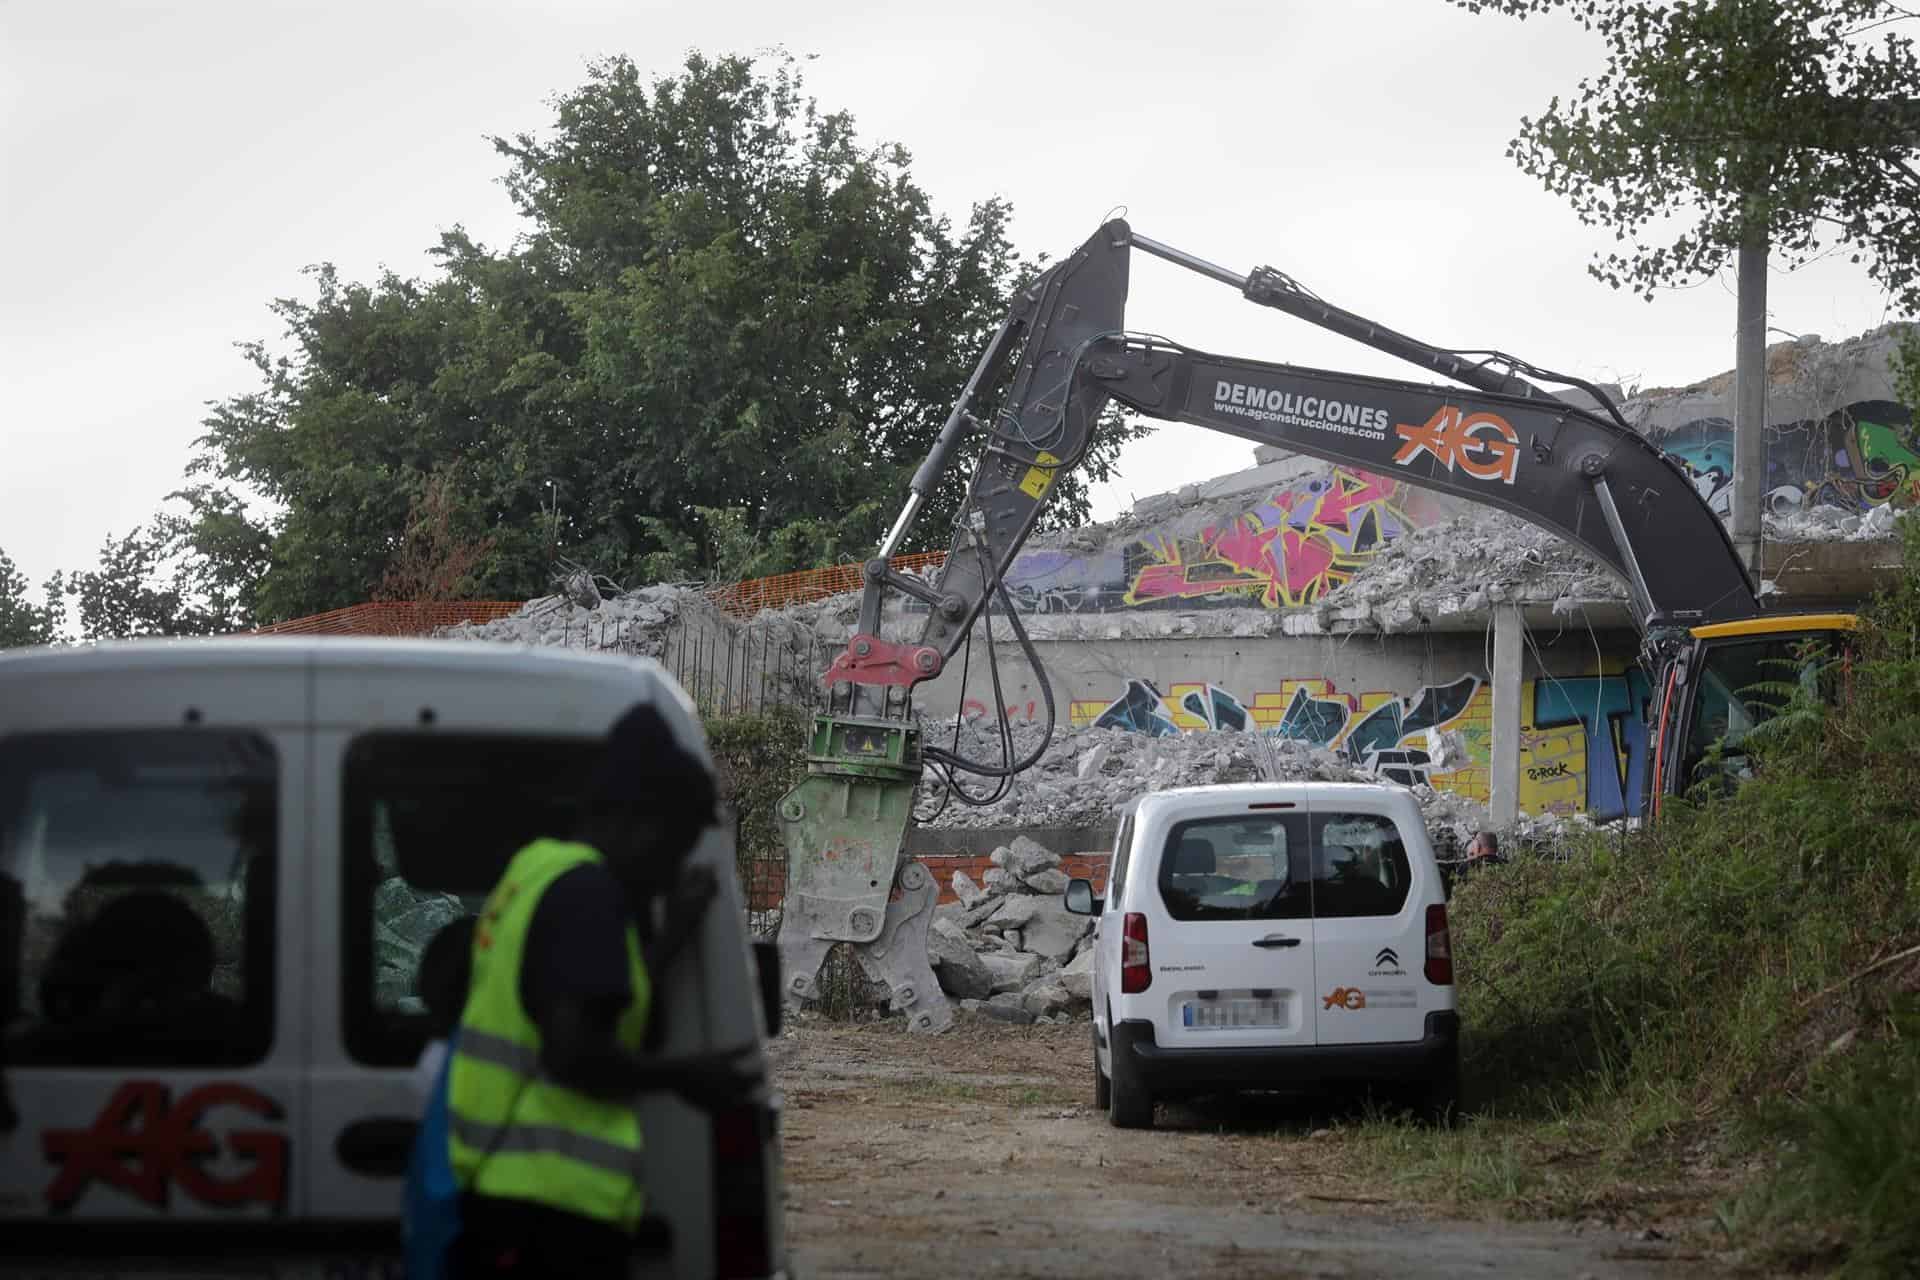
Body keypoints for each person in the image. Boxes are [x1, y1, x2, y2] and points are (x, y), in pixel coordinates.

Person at [444, 702, 748, 1280]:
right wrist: (687, 1076)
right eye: (673, 846)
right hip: (549, 1217)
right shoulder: (589, 894)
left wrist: (672, 938)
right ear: (639, 823)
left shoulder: (536, 871)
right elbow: (572, 1051)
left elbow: (588, 997)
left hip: (511, 1201)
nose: (668, 871)